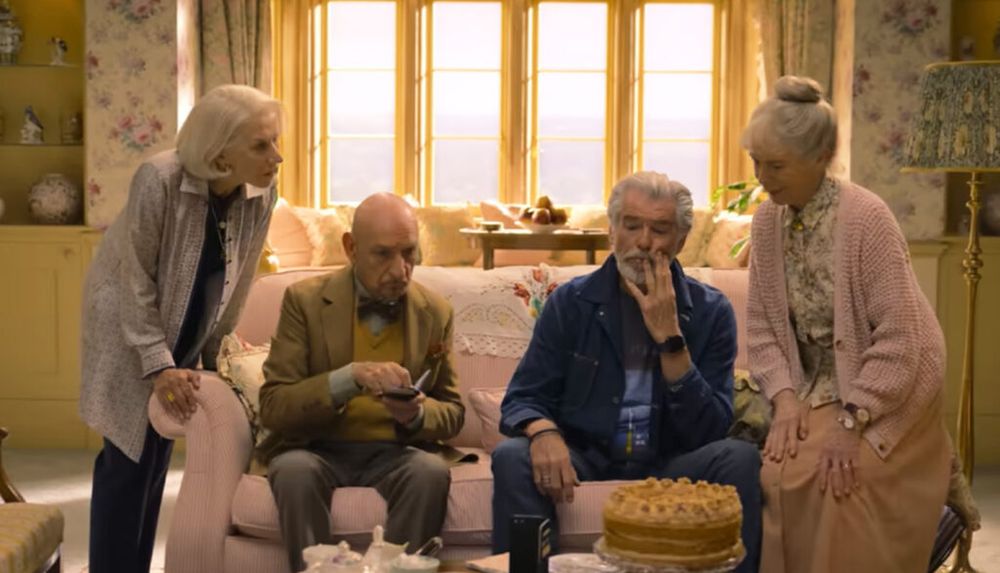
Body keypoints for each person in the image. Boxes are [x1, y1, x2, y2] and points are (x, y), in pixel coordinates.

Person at [492, 171, 761, 573]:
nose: (644, 242)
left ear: (681, 241)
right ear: (611, 232)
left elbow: (711, 430)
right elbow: (524, 396)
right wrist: (544, 432)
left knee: (739, 458)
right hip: (586, 458)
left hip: (671, 461)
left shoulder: (711, 312)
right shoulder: (571, 302)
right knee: (514, 455)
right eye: (631, 226)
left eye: (660, 229)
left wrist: (671, 338)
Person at [744, 75, 951, 572]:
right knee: (777, 475)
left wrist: (852, 420)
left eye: (775, 165)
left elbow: (902, 339)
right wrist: (785, 398)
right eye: (756, 162)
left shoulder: (867, 219)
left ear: (819, 158)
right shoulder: (766, 221)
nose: (761, 177)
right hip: (815, 387)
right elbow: (762, 330)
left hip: (893, 389)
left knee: (839, 481)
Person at [80, 84, 283, 572]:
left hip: (189, 320)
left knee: (155, 460)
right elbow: (135, 279)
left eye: (275, 141)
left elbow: (239, 279)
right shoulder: (160, 178)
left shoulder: (261, 190)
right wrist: (157, 362)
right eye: (261, 145)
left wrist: (217, 355)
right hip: (126, 323)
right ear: (219, 151)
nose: (277, 156)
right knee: (127, 462)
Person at [258, 192, 467, 573]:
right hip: (317, 446)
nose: (400, 270)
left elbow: (453, 412)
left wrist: (416, 415)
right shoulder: (303, 301)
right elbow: (273, 406)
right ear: (351, 248)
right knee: (293, 472)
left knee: (430, 473)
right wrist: (348, 378)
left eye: (409, 253)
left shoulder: (436, 311)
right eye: (383, 254)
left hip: (397, 451)